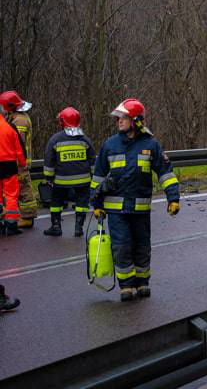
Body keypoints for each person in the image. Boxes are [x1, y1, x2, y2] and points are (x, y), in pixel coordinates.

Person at [91, 99, 181, 301]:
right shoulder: (110, 145)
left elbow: (166, 174)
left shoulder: (151, 145)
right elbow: (97, 177)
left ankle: (142, 282)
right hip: (116, 212)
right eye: (118, 118)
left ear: (135, 120)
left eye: (123, 118)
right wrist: (95, 204)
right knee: (121, 246)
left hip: (140, 210)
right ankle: (126, 285)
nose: (118, 122)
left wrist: (173, 198)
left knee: (142, 246)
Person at [42, 107, 96, 237]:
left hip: (61, 180)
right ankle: (79, 227)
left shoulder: (55, 139)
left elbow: (49, 160)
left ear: (62, 121)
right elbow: (92, 160)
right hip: (83, 180)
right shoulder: (85, 140)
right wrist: (93, 176)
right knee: (82, 203)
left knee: (56, 202)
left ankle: (56, 227)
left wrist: (49, 177)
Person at [0, 92, 37, 229]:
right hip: (14, 160)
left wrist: (18, 161)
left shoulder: (19, 120)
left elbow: (17, 143)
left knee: (24, 189)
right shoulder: (16, 117)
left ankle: (27, 217)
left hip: (18, 161)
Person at [0, 108, 26, 236]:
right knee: (11, 195)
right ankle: (11, 225)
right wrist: (23, 163)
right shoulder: (9, 128)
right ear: (3, 114)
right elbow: (19, 149)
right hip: (9, 165)